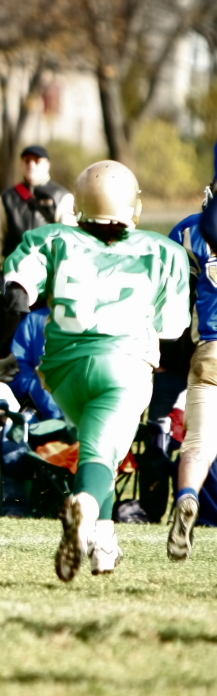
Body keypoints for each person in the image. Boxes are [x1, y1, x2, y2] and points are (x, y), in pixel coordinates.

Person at [0, 160, 187, 580]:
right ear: (132, 205)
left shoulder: (51, 238)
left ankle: (104, 543)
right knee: (100, 454)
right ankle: (85, 508)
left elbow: (15, 298)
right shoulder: (162, 250)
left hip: (64, 372)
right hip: (124, 368)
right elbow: (171, 329)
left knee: (101, 449)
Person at [162, 177, 217, 562]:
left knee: (198, 442)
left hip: (210, 348)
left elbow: (170, 295)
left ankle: (187, 497)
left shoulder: (189, 230)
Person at [0, 145, 74, 293]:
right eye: (27, 161)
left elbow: (68, 239)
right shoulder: (7, 198)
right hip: (14, 273)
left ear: (47, 165)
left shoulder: (62, 197)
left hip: (49, 274)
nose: (31, 165)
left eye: (37, 161)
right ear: (21, 164)